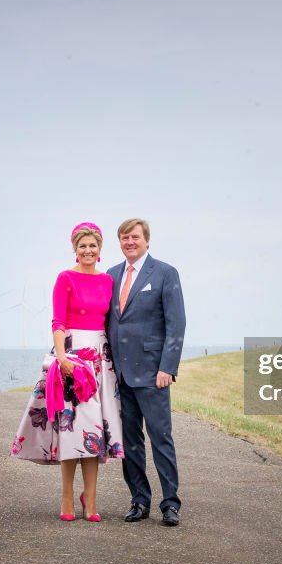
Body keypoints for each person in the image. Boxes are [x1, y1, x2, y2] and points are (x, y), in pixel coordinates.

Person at [10, 222, 124, 522]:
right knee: (71, 429)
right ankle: (66, 497)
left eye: (93, 246)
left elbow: (110, 322)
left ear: (100, 249)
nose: (88, 250)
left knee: (94, 431)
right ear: (75, 248)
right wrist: (61, 357)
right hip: (71, 356)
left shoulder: (108, 281)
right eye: (82, 245)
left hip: (100, 359)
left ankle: (91, 499)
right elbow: (58, 321)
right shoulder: (65, 278)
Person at [105, 218, 186, 526]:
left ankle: (170, 503)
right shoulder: (111, 276)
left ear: (146, 240)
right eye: (124, 238)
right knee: (130, 442)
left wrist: (168, 366)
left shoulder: (165, 273)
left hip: (154, 374)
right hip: (120, 375)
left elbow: (176, 323)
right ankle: (139, 500)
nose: (129, 242)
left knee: (160, 438)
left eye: (135, 237)